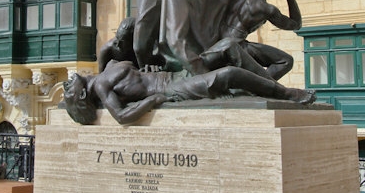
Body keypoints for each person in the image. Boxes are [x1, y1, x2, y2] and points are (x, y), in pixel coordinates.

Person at [63, 59, 316, 126]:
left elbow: (135, 76)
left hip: (172, 73)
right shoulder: (101, 87)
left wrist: (148, 67)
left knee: (225, 55)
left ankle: (270, 89)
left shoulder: (105, 68)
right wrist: (154, 99)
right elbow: (120, 116)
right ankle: (287, 94)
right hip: (171, 87)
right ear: (83, 96)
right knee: (228, 74)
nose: (67, 84)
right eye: (67, 91)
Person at [202, 0, 302, 81]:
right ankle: (257, 86)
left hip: (219, 40)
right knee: (286, 61)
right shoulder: (265, 9)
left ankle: (251, 85)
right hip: (238, 46)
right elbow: (296, 24)